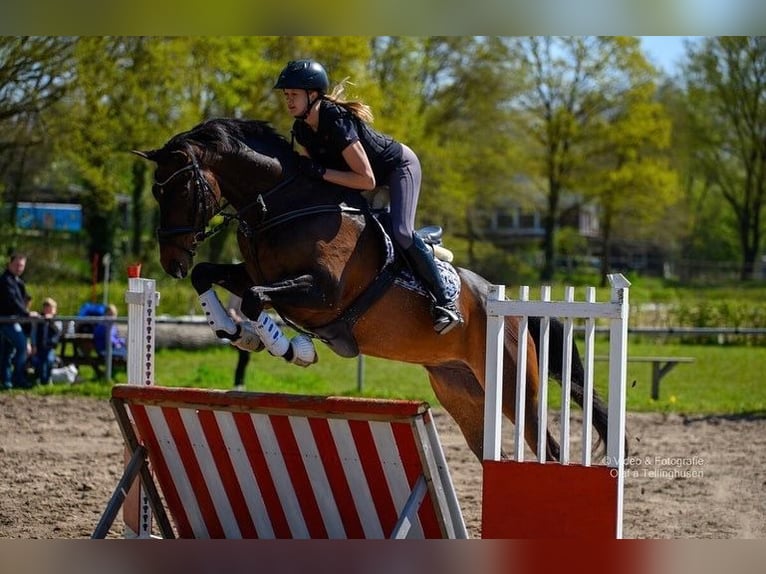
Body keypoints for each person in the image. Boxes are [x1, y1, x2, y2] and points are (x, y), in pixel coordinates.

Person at [274, 59, 462, 335]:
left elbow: (366, 179)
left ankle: (445, 301)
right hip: (359, 178)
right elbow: (315, 178)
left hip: (397, 168)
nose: (288, 101)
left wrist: (321, 171)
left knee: (400, 231)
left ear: (312, 94)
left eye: (293, 95)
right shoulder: (301, 129)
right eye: (286, 95)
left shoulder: (335, 120)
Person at [0, 252, 38, 389]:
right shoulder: (5, 281)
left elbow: (23, 300)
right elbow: (14, 302)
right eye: (17, 264)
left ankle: (6, 381)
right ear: (10, 263)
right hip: (7, 321)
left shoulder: (17, 281)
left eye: (22, 266)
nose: (19, 268)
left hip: (13, 321)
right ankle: (17, 378)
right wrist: (27, 313)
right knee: (22, 347)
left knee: (7, 352)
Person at [30, 297, 62, 385]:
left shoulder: (57, 320)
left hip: (49, 347)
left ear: (54, 310)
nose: (48, 310)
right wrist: (33, 345)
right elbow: (33, 333)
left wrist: (50, 321)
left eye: (50, 308)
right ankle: (39, 379)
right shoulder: (39, 320)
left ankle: (46, 379)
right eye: (46, 308)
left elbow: (58, 332)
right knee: (37, 360)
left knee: (48, 359)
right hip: (38, 347)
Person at [227, 293, 251, 389]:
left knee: (244, 358)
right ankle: (238, 384)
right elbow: (231, 309)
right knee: (244, 357)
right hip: (239, 327)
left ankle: (239, 383)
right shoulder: (236, 293)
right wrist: (237, 319)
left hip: (249, 328)